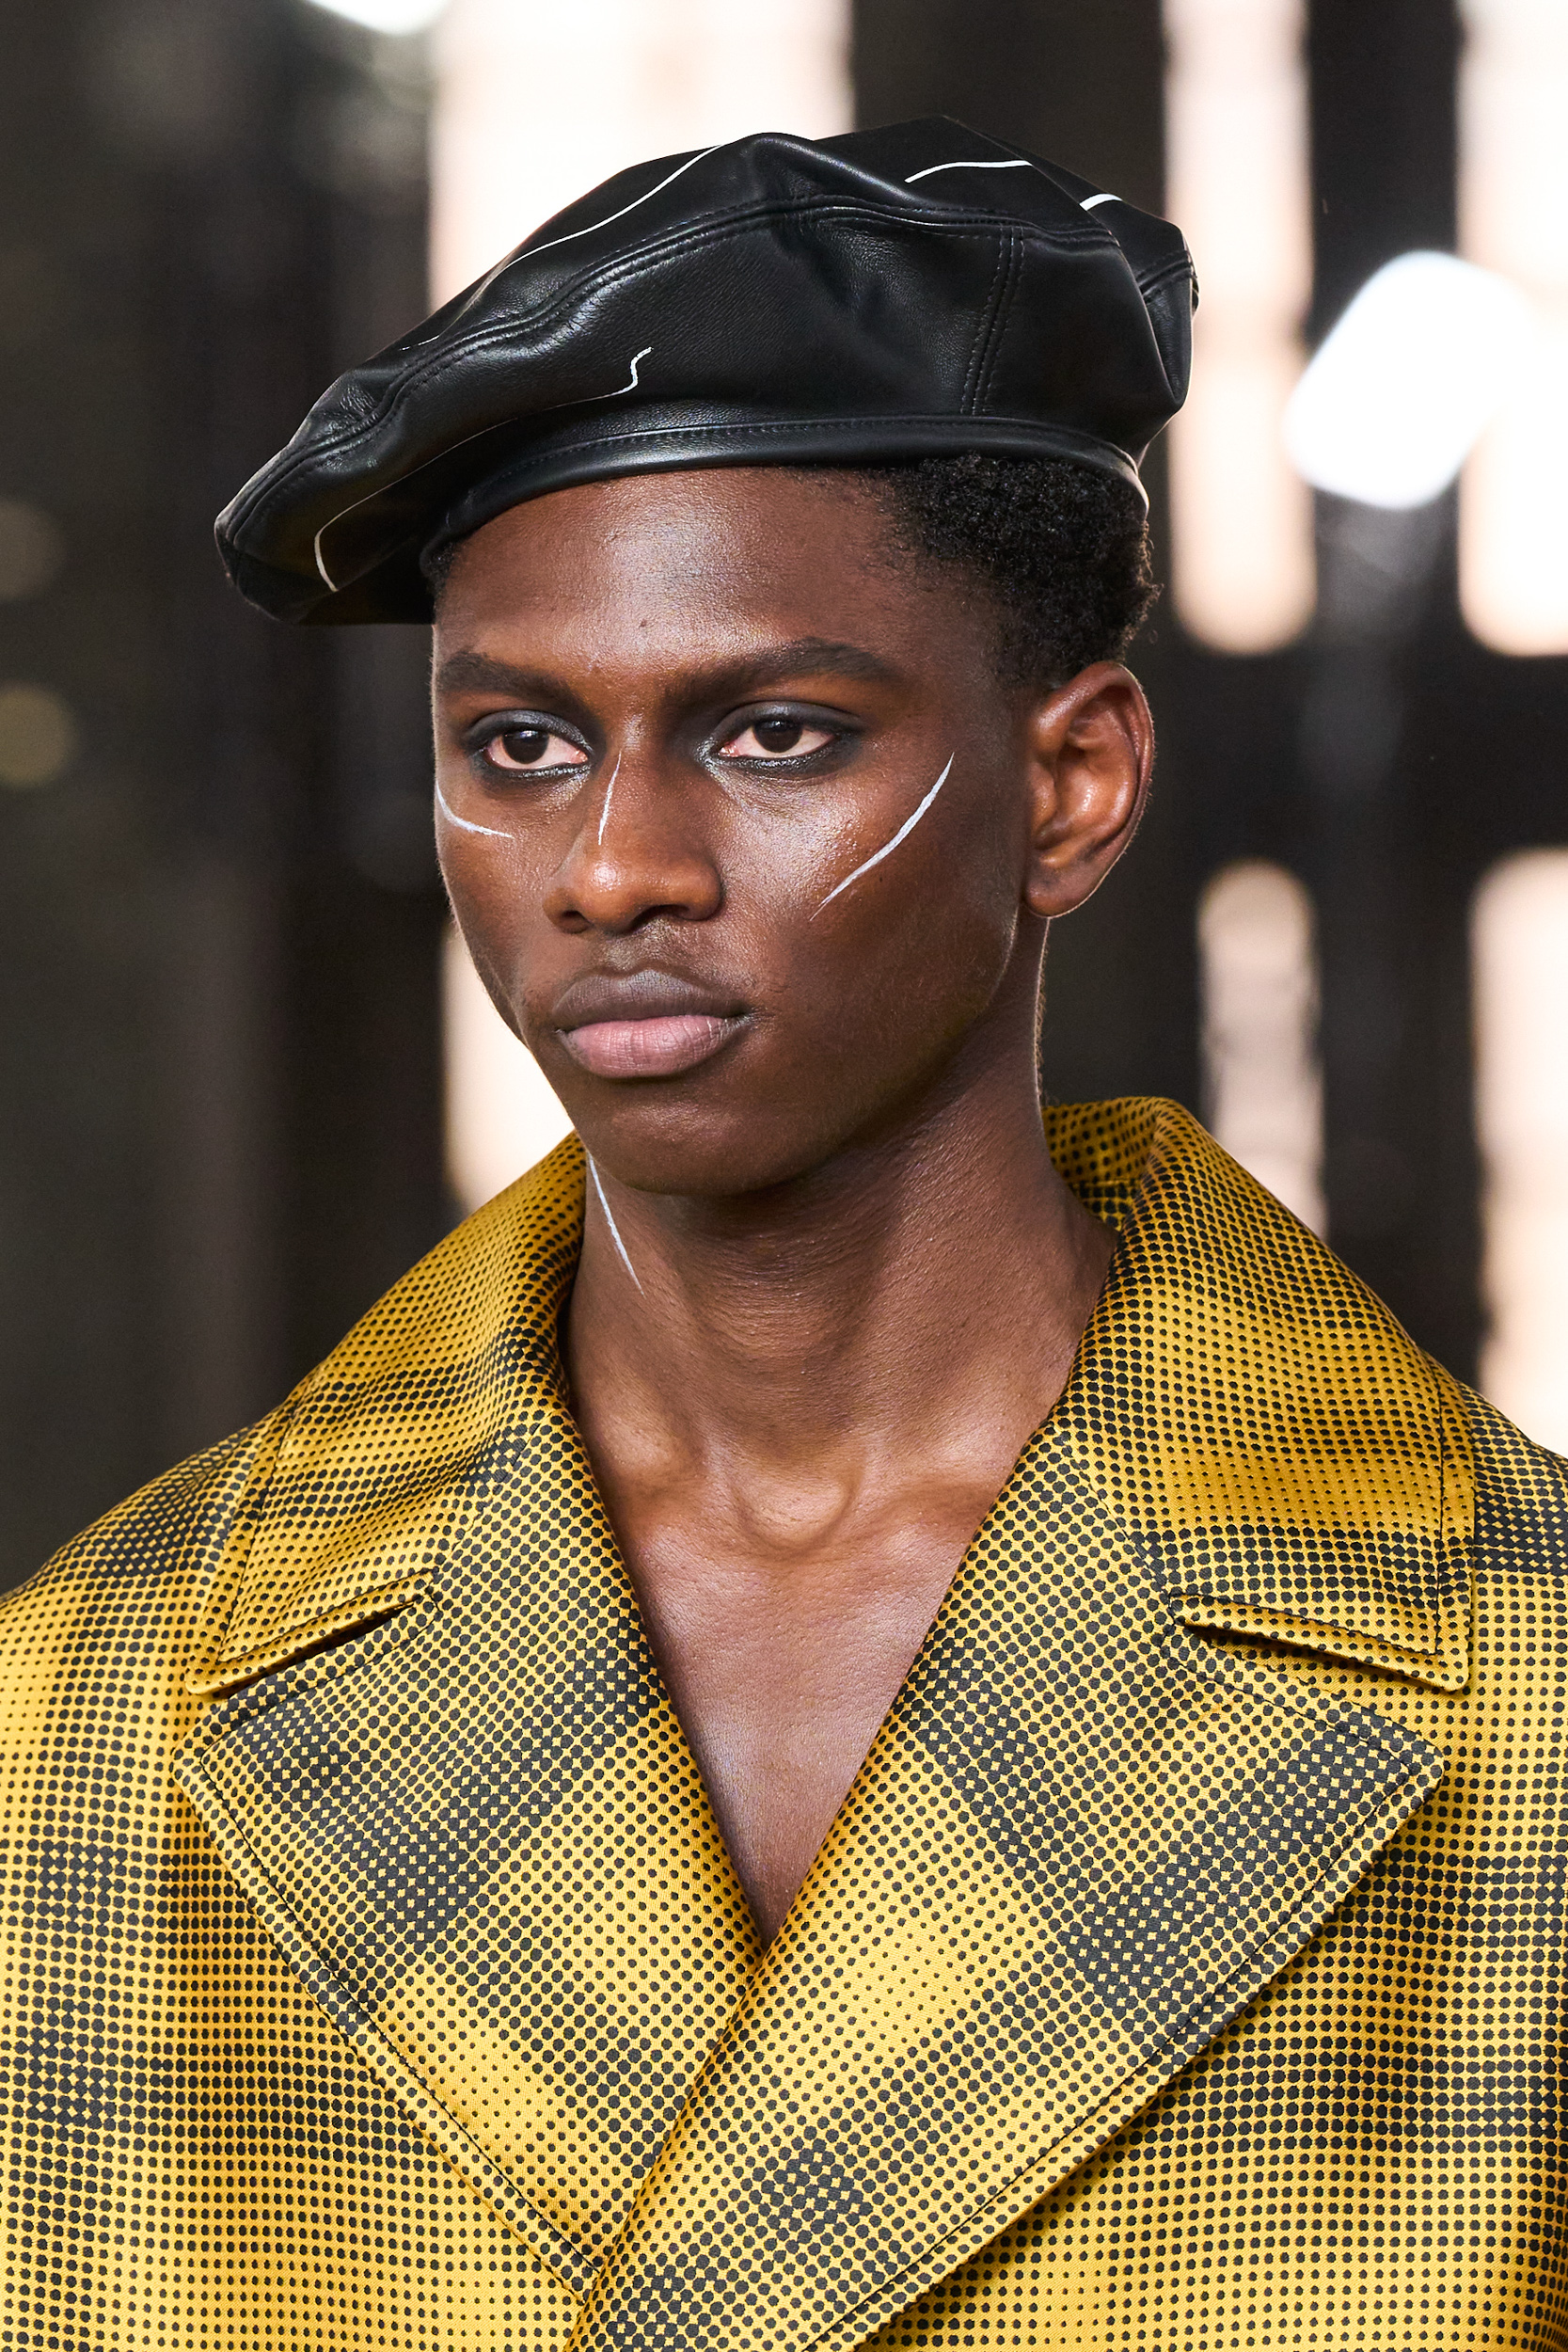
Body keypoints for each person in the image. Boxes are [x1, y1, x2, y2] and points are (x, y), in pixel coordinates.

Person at [1, 119, 1561, 2352]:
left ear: (1072, 785)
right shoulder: (88, 1719)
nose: (613, 864)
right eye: (518, 745)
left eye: (773, 730)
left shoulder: (1527, 1700)